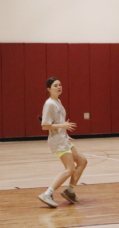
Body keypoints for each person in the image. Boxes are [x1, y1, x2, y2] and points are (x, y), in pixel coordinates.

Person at [38, 77, 88, 208]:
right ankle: (47, 193)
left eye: (60, 85)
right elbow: (44, 126)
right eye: (55, 85)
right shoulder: (49, 104)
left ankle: (70, 191)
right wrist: (63, 126)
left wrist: (64, 132)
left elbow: (57, 124)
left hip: (63, 138)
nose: (59, 87)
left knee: (82, 161)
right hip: (57, 142)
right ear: (49, 89)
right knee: (70, 169)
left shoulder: (58, 101)